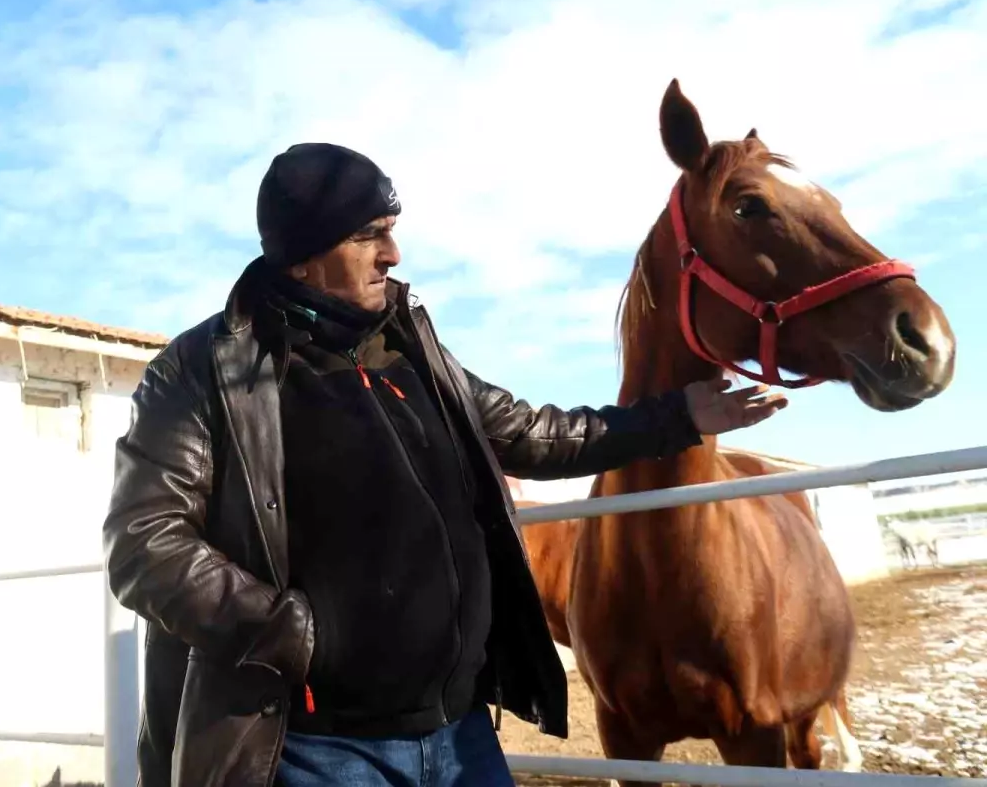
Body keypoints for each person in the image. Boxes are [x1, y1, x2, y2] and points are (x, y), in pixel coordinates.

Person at [102, 143, 788, 787]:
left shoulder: (411, 350)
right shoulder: (203, 371)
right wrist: (297, 634)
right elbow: (145, 546)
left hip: (460, 733)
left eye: (392, 229)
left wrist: (680, 417)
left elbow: (536, 433)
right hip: (322, 748)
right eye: (367, 234)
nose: (392, 253)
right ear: (304, 257)